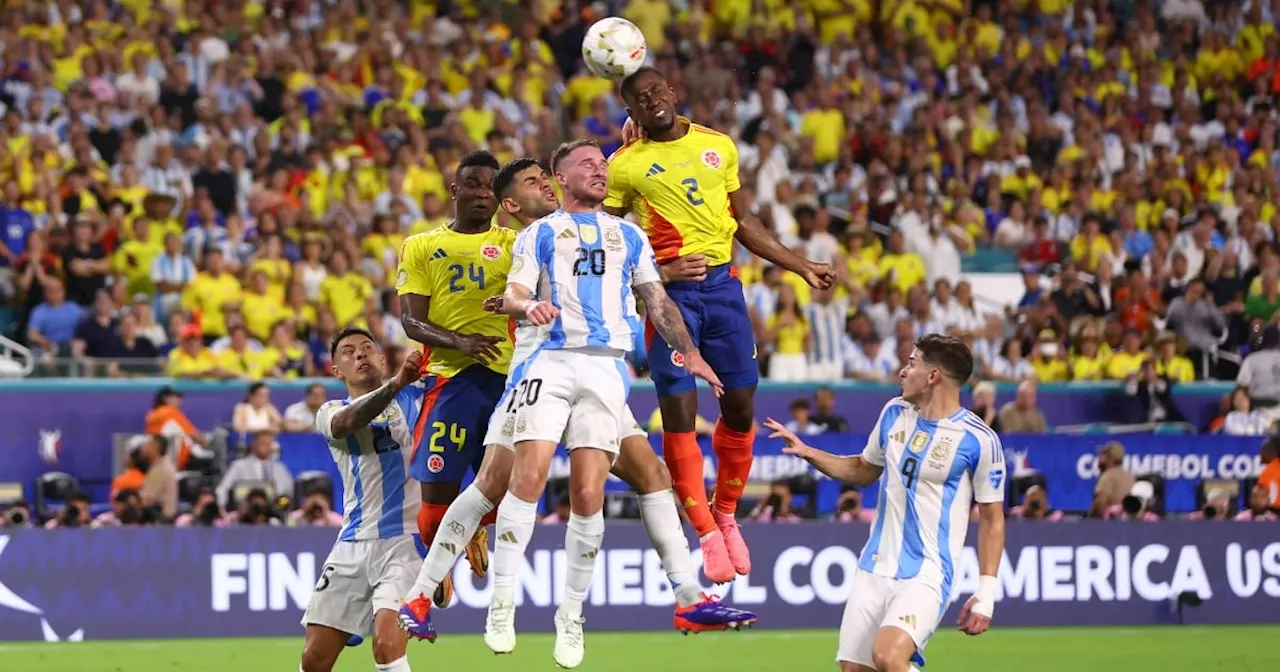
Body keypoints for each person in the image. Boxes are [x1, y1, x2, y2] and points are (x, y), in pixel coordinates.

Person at [398, 158, 756, 645]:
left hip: (598, 370)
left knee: (648, 475)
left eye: (546, 179)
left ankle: (686, 598)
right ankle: (438, 596)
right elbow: (500, 276)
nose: (544, 186)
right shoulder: (513, 242)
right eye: (532, 183)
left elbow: (598, 217)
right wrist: (506, 305)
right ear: (510, 205)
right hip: (535, 370)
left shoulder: (595, 232)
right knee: (497, 484)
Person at [488, 139, 721, 669]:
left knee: (589, 491)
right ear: (560, 178)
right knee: (527, 476)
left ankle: (571, 616)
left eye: (603, 163)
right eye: (587, 164)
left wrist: (691, 355)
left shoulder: (630, 235)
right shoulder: (539, 233)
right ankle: (502, 601)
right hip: (552, 358)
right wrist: (530, 305)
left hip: (607, 367)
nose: (600, 170)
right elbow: (514, 294)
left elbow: (657, 301)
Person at [608, 66, 835, 582]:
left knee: (740, 406)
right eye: (639, 99)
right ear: (632, 110)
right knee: (679, 411)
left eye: (657, 91)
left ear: (673, 91)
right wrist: (658, 272)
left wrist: (800, 265)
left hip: (723, 290)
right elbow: (606, 239)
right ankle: (706, 533)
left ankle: (727, 514)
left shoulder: (720, 147)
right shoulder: (624, 165)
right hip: (668, 299)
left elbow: (745, 222)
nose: (652, 102)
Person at [764, 334, 1006, 672]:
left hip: (927, 573)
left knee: (890, 657)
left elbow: (994, 520)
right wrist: (809, 453)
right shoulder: (894, 413)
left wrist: (987, 593)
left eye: (911, 363)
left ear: (933, 376)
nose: (902, 372)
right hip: (874, 567)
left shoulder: (979, 440)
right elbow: (863, 470)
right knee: (854, 669)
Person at [395, 150, 512, 599]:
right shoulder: (422, 245)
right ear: (456, 190)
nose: (483, 193)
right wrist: (460, 341)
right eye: (474, 184)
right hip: (449, 376)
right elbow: (411, 321)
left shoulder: (514, 243)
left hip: (508, 381)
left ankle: (470, 530)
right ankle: (438, 552)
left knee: (513, 486)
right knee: (435, 493)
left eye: (490, 186)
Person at [300, 329, 426, 672]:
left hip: (406, 541)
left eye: (368, 348)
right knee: (314, 659)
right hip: (351, 543)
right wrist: (396, 384)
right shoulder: (330, 411)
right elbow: (350, 422)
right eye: (348, 352)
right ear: (337, 371)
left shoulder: (419, 398)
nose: (360, 354)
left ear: (382, 360)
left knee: (386, 646)